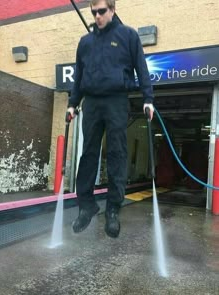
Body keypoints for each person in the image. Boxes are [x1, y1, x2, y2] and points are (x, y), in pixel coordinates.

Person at [67, 0, 154, 238]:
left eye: (102, 11)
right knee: (88, 154)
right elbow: (79, 76)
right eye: (93, 12)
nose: (97, 16)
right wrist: (73, 103)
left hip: (117, 100)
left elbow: (141, 67)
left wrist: (148, 98)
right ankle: (86, 206)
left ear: (113, 10)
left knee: (117, 152)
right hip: (92, 103)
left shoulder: (128, 35)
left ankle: (113, 209)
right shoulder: (85, 43)